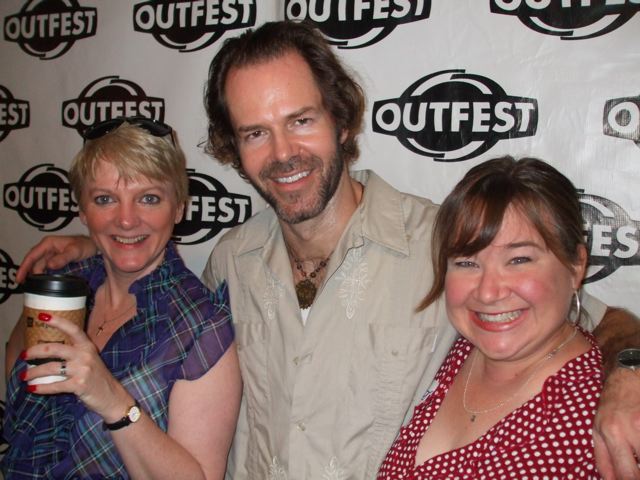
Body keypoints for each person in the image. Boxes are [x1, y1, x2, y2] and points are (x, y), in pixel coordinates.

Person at [15, 22, 640, 480]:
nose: (282, 153)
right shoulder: (231, 257)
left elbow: (590, 320)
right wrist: (97, 250)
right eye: (256, 133)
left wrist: (630, 375)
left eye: (302, 120)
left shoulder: (440, 245)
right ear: (234, 150)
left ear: (342, 121)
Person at [3, 118, 242, 479]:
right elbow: (16, 382)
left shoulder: (200, 326)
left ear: (177, 208)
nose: (126, 219)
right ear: (83, 211)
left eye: (148, 198)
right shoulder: (59, 292)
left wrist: (114, 401)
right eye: (105, 199)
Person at [377, 156, 607, 479]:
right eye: (467, 263)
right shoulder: (454, 353)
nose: (487, 292)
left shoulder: (593, 419)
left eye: (518, 259)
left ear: (575, 266)